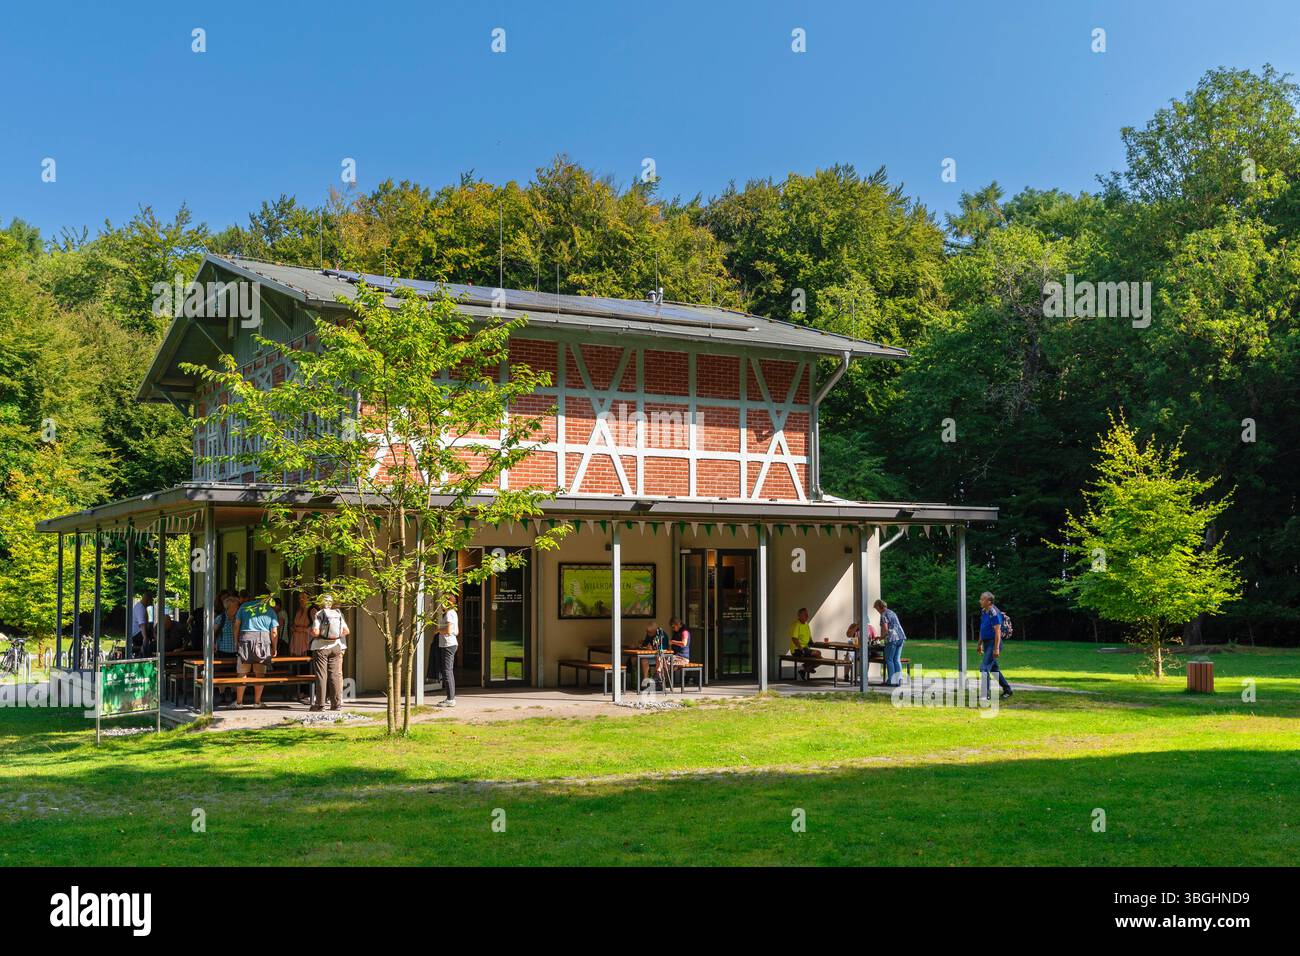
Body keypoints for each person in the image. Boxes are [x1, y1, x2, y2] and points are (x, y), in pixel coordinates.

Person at [234, 592, 278, 708]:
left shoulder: (245, 607)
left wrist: (236, 641)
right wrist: (275, 647)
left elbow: (237, 625)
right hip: (263, 641)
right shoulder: (270, 610)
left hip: (245, 639)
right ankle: (257, 702)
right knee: (260, 673)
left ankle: (239, 703)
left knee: (242, 672)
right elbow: (274, 632)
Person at [310, 594, 349, 711]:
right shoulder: (338, 613)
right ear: (331, 603)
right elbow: (346, 631)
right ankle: (336, 704)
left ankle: (320, 705)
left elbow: (316, 632)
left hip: (321, 648)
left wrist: (313, 634)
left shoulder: (319, 614)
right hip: (336, 647)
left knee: (322, 675)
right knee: (335, 675)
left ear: (320, 603)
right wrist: (335, 637)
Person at [977, 591, 1013, 701]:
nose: (980, 601)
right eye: (981, 599)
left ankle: (985, 695)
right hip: (987, 642)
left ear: (989, 601)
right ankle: (1008, 690)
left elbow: (997, 631)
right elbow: (983, 629)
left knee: (984, 668)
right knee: (994, 669)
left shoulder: (994, 612)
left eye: (982, 599)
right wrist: (980, 644)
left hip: (994, 643)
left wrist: (996, 648)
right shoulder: (984, 611)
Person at [875, 599, 907, 687]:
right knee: (896, 659)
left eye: (876, 608)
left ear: (879, 607)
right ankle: (899, 680)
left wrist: (880, 637)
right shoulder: (892, 612)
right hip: (901, 637)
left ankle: (891, 681)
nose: (877, 610)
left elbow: (885, 630)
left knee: (889, 659)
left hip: (892, 638)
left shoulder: (883, 614)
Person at [435, 595, 459, 708]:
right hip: (450, 644)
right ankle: (450, 698)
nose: (441, 604)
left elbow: (449, 630)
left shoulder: (449, 613)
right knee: (448, 671)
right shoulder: (453, 613)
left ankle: (450, 699)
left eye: (444, 601)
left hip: (448, 645)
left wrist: (437, 630)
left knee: (447, 671)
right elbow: (456, 631)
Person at [789, 607, 820, 680]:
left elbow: (809, 638)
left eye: (807, 614)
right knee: (818, 654)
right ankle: (807, 667)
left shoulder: (806, 624)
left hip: (805, 648)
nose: (807, 616)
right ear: (800, 615)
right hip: (797, 650)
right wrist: (801, 649)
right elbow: (794, 639)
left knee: (819, 659)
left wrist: (814, 642)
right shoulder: (796, 625)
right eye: (805, 614)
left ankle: (805, 669)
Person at [290, 592, 315, 656]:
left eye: (303, 598)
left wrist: (303, 630)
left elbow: (316, 628)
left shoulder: (312, 610)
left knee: (306, 664)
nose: (301, 600)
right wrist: (293, 627)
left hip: (307, 644)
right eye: (299, 598)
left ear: (309, 599)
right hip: (296, 644)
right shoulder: (298, 611)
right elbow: (295, 624)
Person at [131, 591, 153, 657]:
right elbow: (142, 624)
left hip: (136, 633)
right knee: (155, 630)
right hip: (137, 634)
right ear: (148, 600)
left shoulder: (140, 606)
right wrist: (145, 638)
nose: (152, 602)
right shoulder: (140, 608)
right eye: (151, 600)